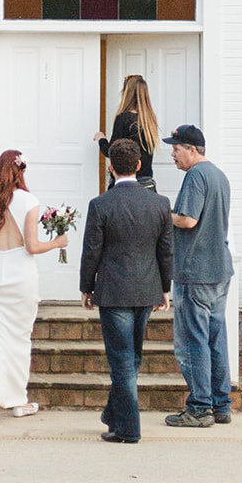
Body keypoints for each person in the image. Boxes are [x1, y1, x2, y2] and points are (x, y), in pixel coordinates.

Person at [79, 136, 172, 443]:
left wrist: (86, 287)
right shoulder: (159, 204)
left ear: (110, 167)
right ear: (139, 165)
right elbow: (165, 251)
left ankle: (128, 429)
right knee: (130, 358)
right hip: (146, 289)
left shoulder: (101, 204)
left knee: (122, 360)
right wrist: (165, 288)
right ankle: (112, 413)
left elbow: (92, 250)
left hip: (114, 290)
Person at [0, 148, 68, 426]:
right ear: (20, 171)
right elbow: (32, 246)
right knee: (19, 341)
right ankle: (19, 402)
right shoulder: (28, 200)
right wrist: (57, 244)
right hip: (21, 275)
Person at [162, 124, 234, 428]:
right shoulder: (219, 175)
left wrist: (163, 214)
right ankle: (221, 405)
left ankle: (200, 407)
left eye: (177, 149)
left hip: (196, 270)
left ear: (193, 150)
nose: (172, 155)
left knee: (192, 342)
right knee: (216, 339)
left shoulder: (195, 176)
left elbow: (189, 220)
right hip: (220, 269)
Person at [93, 72, 160, 190]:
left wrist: (101, 139)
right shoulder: (149, 120)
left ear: (126, 94)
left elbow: (113, 151)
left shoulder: (124, 119)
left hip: (126, 183)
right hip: (147, 183)